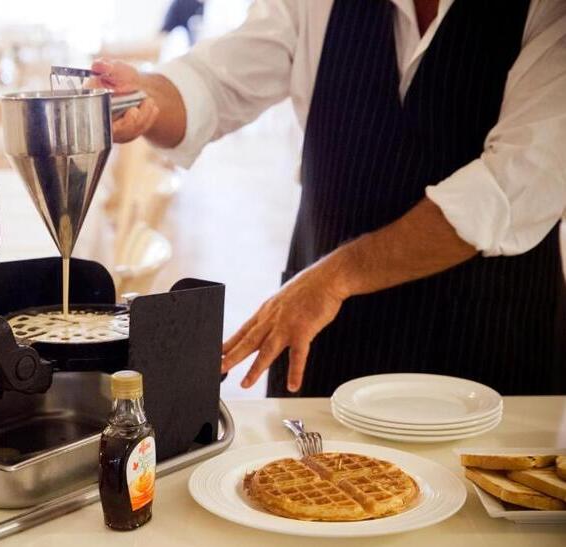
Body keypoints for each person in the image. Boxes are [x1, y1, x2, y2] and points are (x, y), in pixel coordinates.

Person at [92, 0, 566, 397]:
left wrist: (335, 277)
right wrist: (145, 97)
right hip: (325, 344)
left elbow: (512, 183)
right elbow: (214, 83)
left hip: (489, 346)